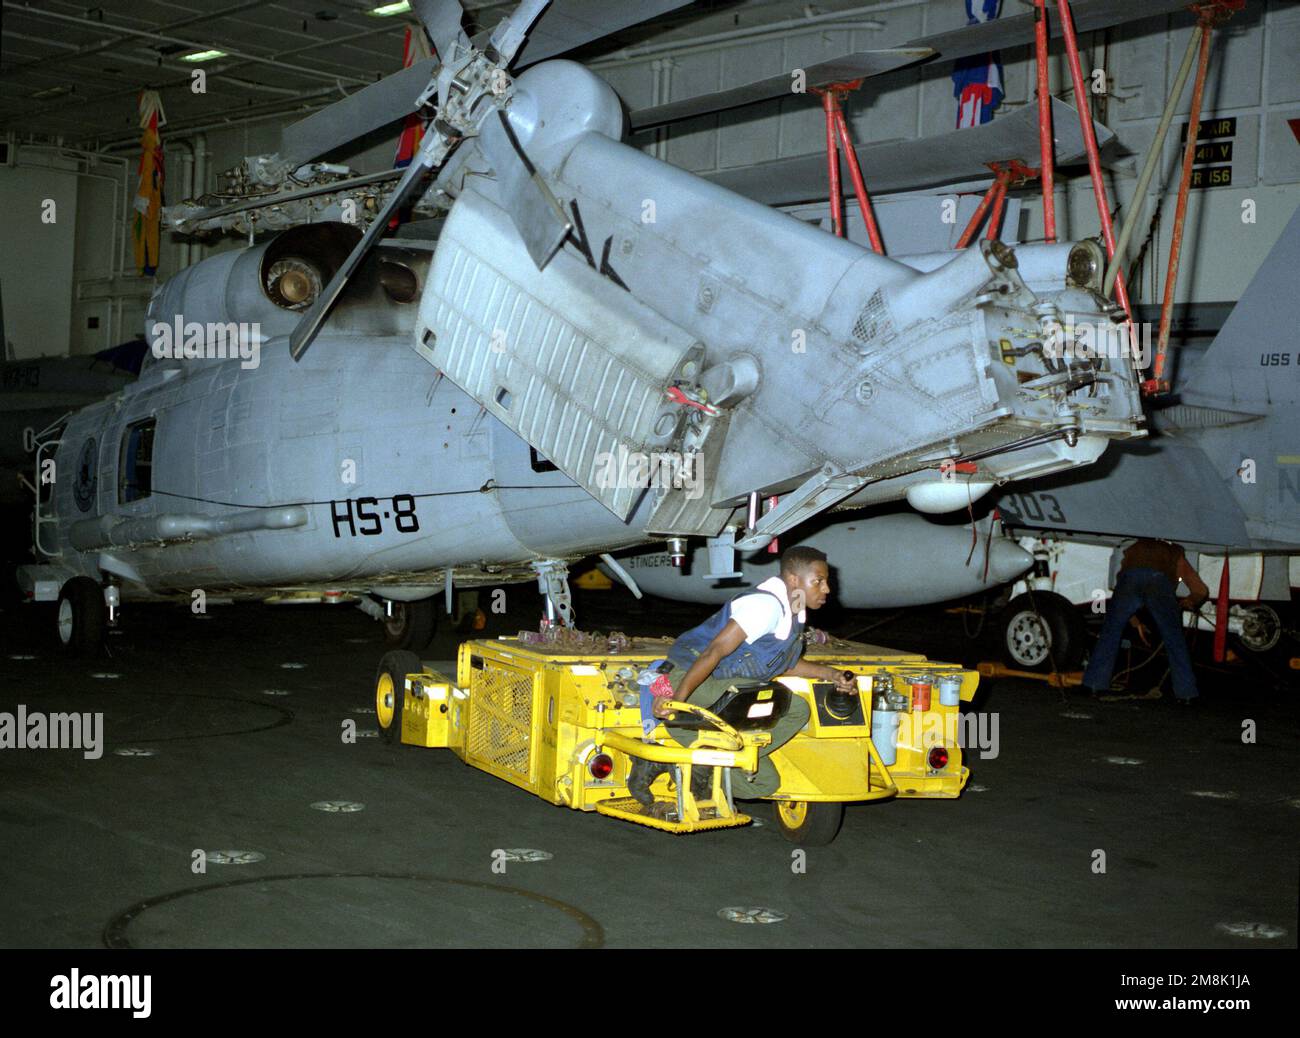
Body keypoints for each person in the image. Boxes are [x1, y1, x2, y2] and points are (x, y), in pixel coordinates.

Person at [629, 545, 856, 804]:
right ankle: (702, 757)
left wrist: (832, 674)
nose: (826, 589)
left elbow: (786, 664)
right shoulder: (764, 607)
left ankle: (686, 762)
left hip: (727, 687)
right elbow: (713, 652)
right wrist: (676, 702)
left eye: (826, 581)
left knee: (763, 784)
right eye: (818, 581)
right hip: (693, 677)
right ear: (793, 579)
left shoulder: (794, 611)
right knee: (790, 705)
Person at [1082, 538, 1210, 704]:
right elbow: (1201, 590)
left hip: (1129, 579)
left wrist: (1136, 623)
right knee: (1174, 639)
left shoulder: (1134, 547)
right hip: (1159, 581)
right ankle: (1186, 694)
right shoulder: (1175, 551)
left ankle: (1093, 684)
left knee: (1110, 633)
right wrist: (1190, 601)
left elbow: (1122, 589)